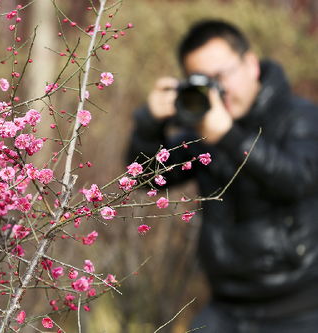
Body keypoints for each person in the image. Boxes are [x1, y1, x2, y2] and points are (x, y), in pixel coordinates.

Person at [127, 19, 318, 333]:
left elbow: (295, 179)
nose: (218, 90)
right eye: (202, 81)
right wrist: (149, 124)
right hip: (227, 307)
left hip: (301, 307)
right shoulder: (205, 132)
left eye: (220, 76)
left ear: (251, 64)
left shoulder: (300, 117)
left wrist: (229, 137)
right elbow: (146, 178)